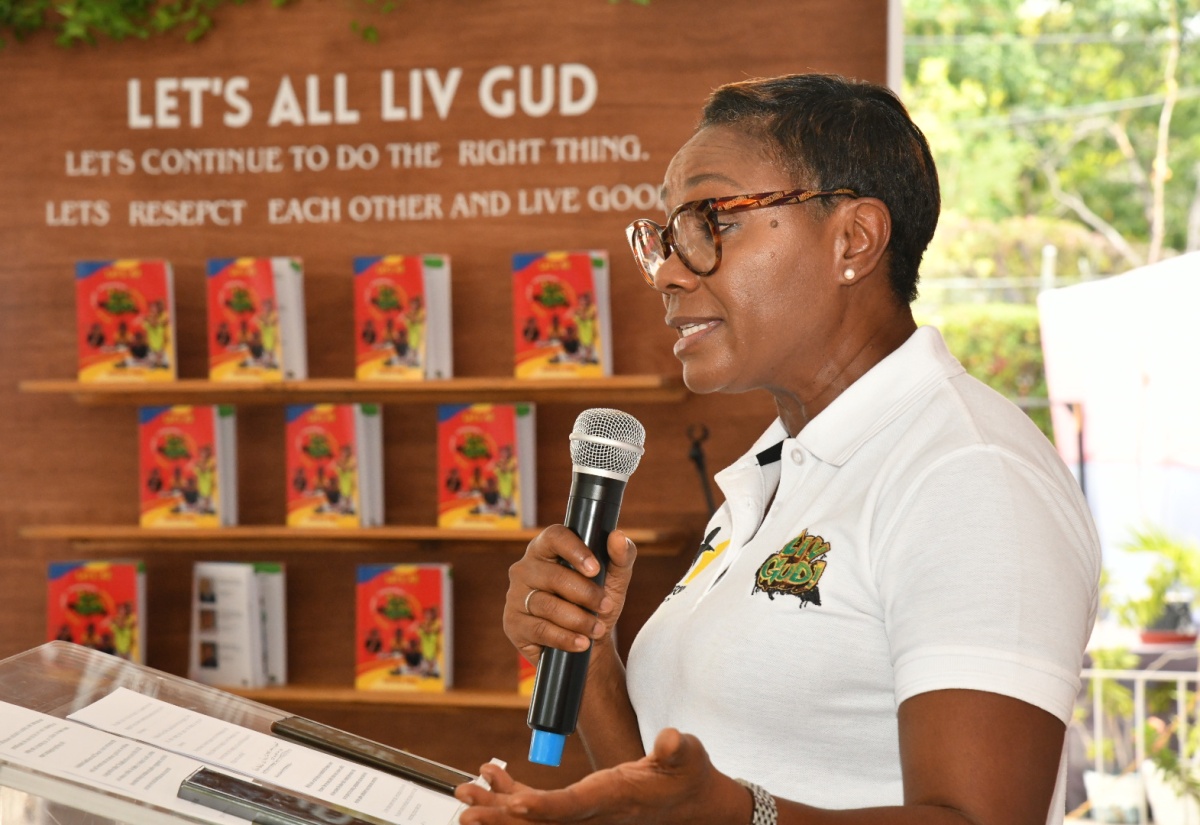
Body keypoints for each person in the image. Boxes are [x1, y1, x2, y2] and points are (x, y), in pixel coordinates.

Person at [455, 73, 1101, 825]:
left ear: (853, 240)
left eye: (709, 221)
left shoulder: (970, 475)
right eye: (663, 236)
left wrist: (744, 816)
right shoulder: (777, 474)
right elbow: (665, 797)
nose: (667, 269)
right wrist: (590, 654)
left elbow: (980, 819)